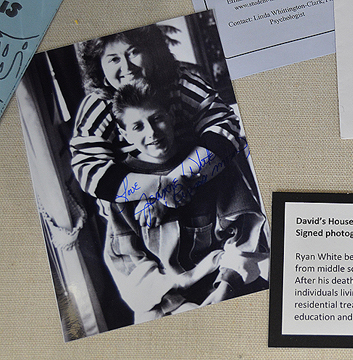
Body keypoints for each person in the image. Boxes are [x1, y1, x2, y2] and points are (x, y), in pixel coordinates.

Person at [103, 85, 269, 324]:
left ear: (170, 115)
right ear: (124, 133)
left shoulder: (211, 164)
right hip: (164, 302)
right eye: (138, 126)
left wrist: (226, 286)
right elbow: (129, 264)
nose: (151, 132)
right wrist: (181, 304)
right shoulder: (122, 189)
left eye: (157, 118)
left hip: (227, 282)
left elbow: (245, 232)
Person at [69, 24, 248, 212]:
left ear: (152, 52)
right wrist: (156, 188)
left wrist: (171, 185)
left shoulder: (180, 82)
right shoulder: (98, 105)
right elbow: (88, 169)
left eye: (133, 52)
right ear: (100, 69)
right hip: (139, 213)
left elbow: (225, 127)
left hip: (205, 194)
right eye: (114, 60)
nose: (126, 67)